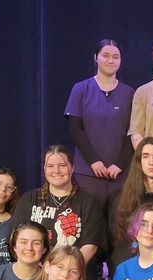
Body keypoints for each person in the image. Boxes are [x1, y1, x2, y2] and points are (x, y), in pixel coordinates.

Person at [10, 145, 106, 280]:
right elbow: (16, 240)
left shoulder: (89, 202)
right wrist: (42, 273)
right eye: (50, 166)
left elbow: (90, 246)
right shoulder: (29, 199)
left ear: (72, 168)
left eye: (62, 165)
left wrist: (63, 273)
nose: (56, 171)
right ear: (44, 169)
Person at [64, 39, 134, 209]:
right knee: (90, 219)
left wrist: (120, 164)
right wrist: (94, 161)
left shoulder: (130, 93)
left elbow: (132, 131)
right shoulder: (81, 89)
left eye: (116, 57)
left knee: (119, 221)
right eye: (106, 55)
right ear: (96, 57)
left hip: (120, 173)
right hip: (88, 171)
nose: (111, 60)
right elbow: (75, 128)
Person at [108, 137, 153, 275]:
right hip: (128, 257)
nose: (151, 162)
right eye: (146, 156)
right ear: (139, 161)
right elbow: (116, 237)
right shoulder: (122, 197)